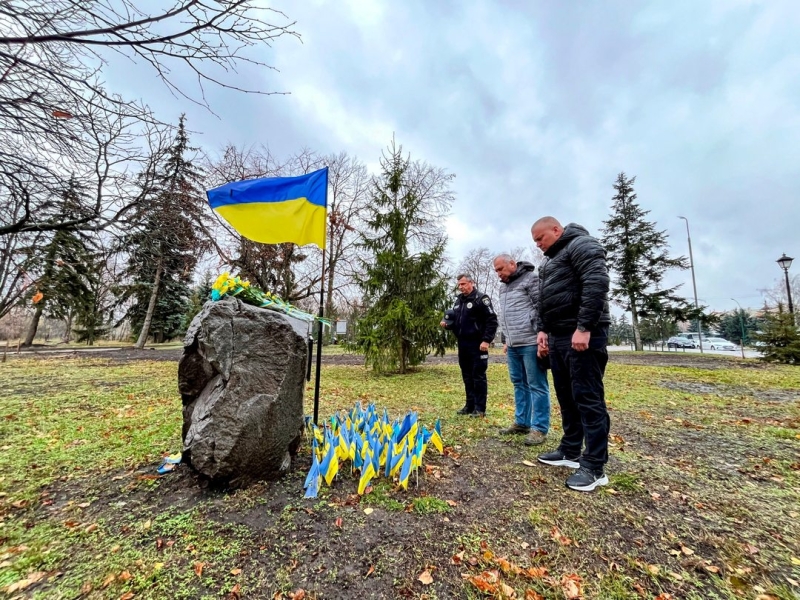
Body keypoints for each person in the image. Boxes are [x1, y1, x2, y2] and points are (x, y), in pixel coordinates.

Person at [531, 216, 611, 492]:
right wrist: (542, 330)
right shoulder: (549, 263)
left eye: (540, 239)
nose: (539, 245)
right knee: (566, 395)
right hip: (558, 336)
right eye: (535, 242)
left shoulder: (582, 244)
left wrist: (585, 326)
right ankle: (570, 450)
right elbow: (544, 299)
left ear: (556, 229)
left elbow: (596, 283)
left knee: (588, 397)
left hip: (582, 335)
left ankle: (594, 465)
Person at [493, 254, 550, 445]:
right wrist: (506, 339)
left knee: (537, 385)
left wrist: (541, 333)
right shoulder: (503, 288)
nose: (498, 274)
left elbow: (542, 307)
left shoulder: (531, 279)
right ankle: (521, 422)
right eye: (496, 271)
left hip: (531, 341)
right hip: (513, 344)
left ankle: (539, 428)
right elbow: (505, 316)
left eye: (501, 269)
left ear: (512, 264)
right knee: (519, 383)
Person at [441, 274, 498, 417]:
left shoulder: (481, 299)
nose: (461, 287)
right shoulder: (459, 301)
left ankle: (480, 409)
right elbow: (457, 323)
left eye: (464, 284)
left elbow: (492, 320)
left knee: (478, 375)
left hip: (478, 344)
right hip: (463, 344)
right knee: (467, 376)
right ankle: (469, 405)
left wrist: (486, 340)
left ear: (471, 283)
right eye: (459, 285)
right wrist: (448, 326)